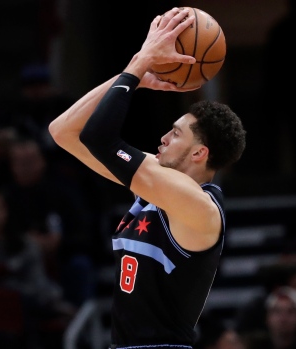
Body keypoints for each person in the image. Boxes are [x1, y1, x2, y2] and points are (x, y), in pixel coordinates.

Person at [48, 8, 246, 349]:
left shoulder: (198, 205)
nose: (164, 139)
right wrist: (132, 76)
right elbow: (64, 132)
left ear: (200, 153)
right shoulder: (156, 184)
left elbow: (99, 137)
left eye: (176, 134)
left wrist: (139, 63)